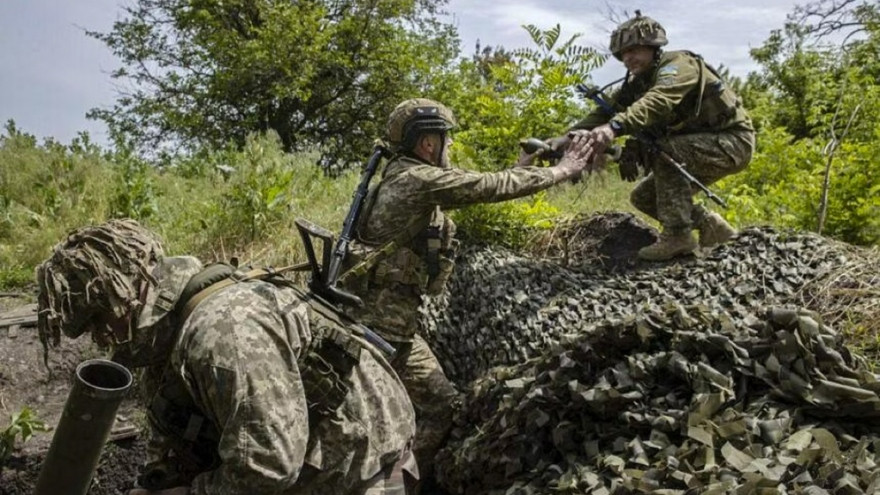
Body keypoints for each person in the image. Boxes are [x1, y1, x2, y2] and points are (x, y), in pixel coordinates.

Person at [36, 219, 418, 495]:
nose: (101, 340)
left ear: (122, 297)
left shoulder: (221, 333)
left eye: (98, 322)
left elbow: (268, 466)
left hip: (362, 476)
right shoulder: (167, 331)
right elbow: (177, 431)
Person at [337, 98, 593, 484]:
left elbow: (478, 186)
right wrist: (563, 170)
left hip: (392, 327)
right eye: (446, 139)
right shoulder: (417, 180)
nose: (449, 147)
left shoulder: (402, 175)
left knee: (440, 404)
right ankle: (391, 484)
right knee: (417, 411)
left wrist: (522, 167)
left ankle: (404, 480)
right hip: (380, 333)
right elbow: (484, 187)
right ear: (427, 144)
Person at [551, 11, 755, 261]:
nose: (628, 58)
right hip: (704, 145)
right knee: (644, 197)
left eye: (633, 50)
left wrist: (614, 128)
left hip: (733, 142)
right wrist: (566, 137)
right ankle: (710, 225)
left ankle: (678, 235)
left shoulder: (679, 65)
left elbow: (657, 101)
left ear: (653, 47)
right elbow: (604, 112)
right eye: (623, 54)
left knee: (667, 151)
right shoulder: (638, 82)